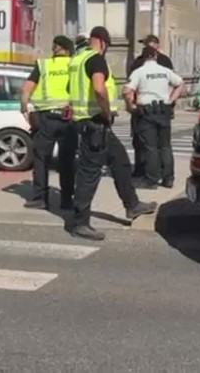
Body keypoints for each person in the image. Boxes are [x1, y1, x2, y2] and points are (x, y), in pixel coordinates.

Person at [68, 26, 158, 241]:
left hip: (88, 123)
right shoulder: (96, 59)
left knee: (121, 162)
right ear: (102, 42)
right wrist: (107, 111)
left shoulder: (77, 60)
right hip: (95, 124)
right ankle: (80, 223)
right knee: (89, 175)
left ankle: (132, 205)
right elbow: (99, 88)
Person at [19, 36, 77, 210]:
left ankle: (40, 199)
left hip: (45, 119)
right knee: (67, 161)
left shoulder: (43, 65)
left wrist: (24, 108)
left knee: (41, 159)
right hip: (69, 118)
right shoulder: (75, 65)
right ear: (69, 50)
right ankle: (67, 200)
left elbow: (26, 89)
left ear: (55, 48)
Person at [123, 46, 185, 189]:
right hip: (164, 110)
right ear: (156, 56)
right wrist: (171, 100)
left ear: (143, 57)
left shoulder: (139, 72)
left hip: (147, 111)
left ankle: (151, 179)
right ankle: (168, 179)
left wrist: (131, 105)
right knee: (165, 146)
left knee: (150, 147)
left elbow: (127, 91)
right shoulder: (165, 71)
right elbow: (180, 83)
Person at [127, 35, 174, 179]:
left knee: (150, 144)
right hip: (160, 108)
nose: (146, 46)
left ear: (157, 45)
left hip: (145, 108)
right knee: (161, 144)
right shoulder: (140, 62)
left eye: (149, 43)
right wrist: (169, 101)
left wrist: (131, 104)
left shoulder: (161, 61)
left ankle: (150, 173)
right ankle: (164, 175)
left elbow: (129, 87)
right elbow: (176, 83)